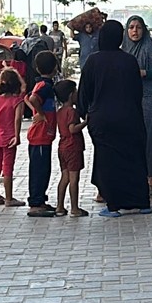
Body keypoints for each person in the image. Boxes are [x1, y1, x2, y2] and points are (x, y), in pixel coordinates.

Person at [77, 20, 152, 217]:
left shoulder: (93, 61)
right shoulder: (129, 61)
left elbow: (84, 92)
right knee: (134, 158)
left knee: (109, 162)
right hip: (130, 118)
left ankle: (114, 205)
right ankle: (141, 201)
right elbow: (137, 92)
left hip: (103, 120)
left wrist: (82, 113)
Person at [123, 16, 152, 195]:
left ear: (144, 30)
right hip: (133, 102)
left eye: (138, 28)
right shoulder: (125, 50)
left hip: (151, 100)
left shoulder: (149, 49)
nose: (135, 31)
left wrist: (145, 72)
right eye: (131, 27)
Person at [25, 51, 60, 218]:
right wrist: (40, 114)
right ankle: (35, 202)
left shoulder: (43, 84)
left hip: (44, 136)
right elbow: (32, 99)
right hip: (40, 135)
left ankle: (40, 199)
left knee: (43, 169)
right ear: (55, 67)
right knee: (39, 170)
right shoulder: (45, 86)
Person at [0, 68, 26, 208]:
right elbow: (17, 120)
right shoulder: (17, 101)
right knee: (8, 168)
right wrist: (17, 136)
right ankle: (9, 198)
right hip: (9, 137)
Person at [54, 79, 88, 217]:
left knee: (65, 177)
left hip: (62, 147)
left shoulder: (60, 111)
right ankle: (74, 208)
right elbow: (72, 129)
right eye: (75, 92)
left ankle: (60, 206)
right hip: (73, 147)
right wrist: (86, 122)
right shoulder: (72, 112)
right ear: (70, 95)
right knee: (74, 179)